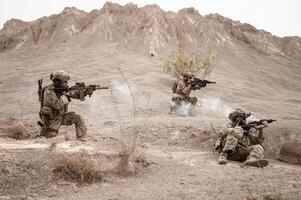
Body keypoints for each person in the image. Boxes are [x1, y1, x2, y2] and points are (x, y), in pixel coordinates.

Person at [38, 70, 87, 141]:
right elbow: (57, 105)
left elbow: (76, 96)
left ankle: (81, 140)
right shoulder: (49, 91)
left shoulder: (62, 89)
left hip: (61, 117)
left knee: (78, 118)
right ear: (58, 82)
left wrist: (84, 93)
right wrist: (67, 95)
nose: (67, 83)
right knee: (49, 140)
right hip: (51, 121)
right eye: (65, 81)